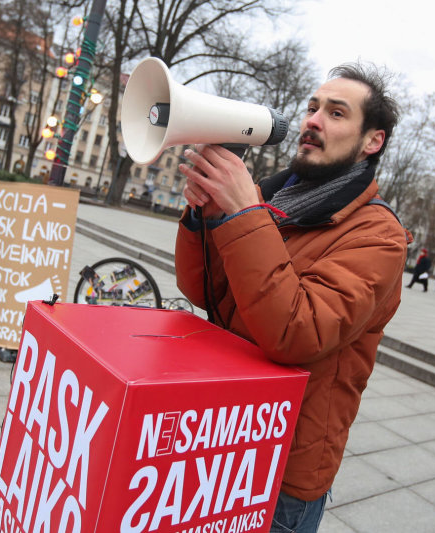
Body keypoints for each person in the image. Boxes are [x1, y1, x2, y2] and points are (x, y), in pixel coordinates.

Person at [175, 62, 409, 533]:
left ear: (372, 141)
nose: (313, 121)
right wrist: (206, 218)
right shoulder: (273, 198)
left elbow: (298, 333)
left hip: (281, 472)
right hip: (219, 436)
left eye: (337, 113)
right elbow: (203, 292)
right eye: (312, 108)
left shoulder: (379, 235)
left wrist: (243, 216)